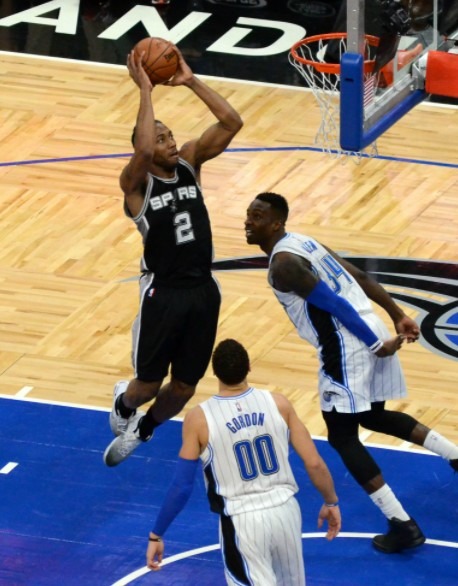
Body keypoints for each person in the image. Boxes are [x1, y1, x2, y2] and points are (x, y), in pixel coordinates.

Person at [244, 192, 458, 554]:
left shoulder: (284, 265)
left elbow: (334, 303)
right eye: (249, 214)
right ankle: (454, 455)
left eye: (258, 216)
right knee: (372, 416)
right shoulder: (304, 242)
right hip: (366, 328)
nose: (249, 221)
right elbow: (358, 276)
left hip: (348, 342)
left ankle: (401, 524)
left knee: (343, 437)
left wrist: (375, 344)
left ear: (276, 223)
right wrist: (394, 313)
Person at [103, 45, 243, 467]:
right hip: (163, 293)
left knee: (183, 387)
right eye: (159, 136)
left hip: (203, 290)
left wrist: (190, 80)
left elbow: (232, 122)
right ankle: (126, 406)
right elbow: (142, 152)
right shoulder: (136, 185)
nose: (167, 141)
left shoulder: (189, 163)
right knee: (147, 384)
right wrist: (145, 91)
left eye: (168, 135)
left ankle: (143, 431)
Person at [145, 338, 341, 584]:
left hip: (242, 521)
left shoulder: (198, 419)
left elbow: (182, 486)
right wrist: (331, 501)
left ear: (214, 372)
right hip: (286, 513)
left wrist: (157, 534)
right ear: (249, 366)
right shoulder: (279, 404)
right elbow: (314, 463)